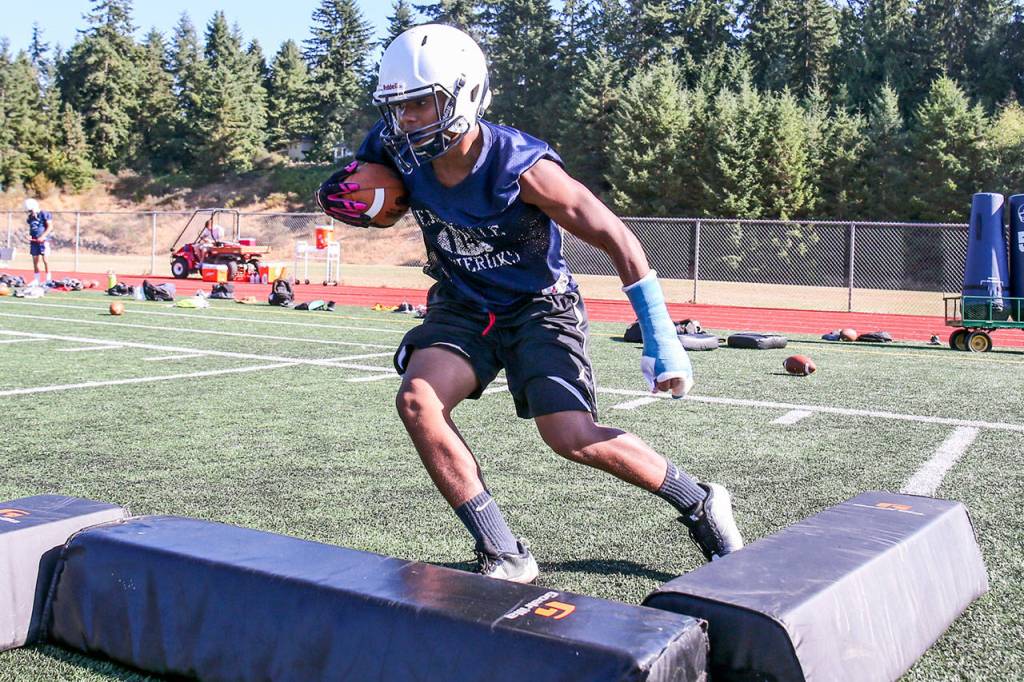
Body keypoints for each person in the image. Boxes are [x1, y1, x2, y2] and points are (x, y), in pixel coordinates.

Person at [316, 24, 743, 583]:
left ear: (466, 94)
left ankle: (699, 501)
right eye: (399, 107)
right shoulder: (395, 144)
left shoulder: (521, 166)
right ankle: (505, 552)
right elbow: (367, 182)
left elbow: (617, 237)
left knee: (569, 435)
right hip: (462, 304)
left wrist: (661, 336)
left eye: (422, 103)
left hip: (539, 307)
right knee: (419, 402)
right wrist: (348, 192)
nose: (409, 120)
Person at [25, 198, 52, 286]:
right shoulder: (30, 217)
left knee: (45, 260)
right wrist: (29, 235)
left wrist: (43, 236)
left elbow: (50, 227)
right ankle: (37, 280)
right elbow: (32, 228)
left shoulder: (44, 214)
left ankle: (48, 280)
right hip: (34, 241)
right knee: (35, 261)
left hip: (43, 241)